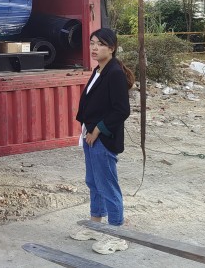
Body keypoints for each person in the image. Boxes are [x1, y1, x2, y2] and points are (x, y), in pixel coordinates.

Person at [70, 27, 135, 255]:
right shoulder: (99, 70)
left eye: (100, 44)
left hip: (103, 138)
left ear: (112, 48)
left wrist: (98, 129)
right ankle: (96, 225)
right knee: (93, 182)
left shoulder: (114, 73)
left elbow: (122, 110)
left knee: (107, 184)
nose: (94, 48)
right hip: (90, 136)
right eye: (92, 43)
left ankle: (117, 235)